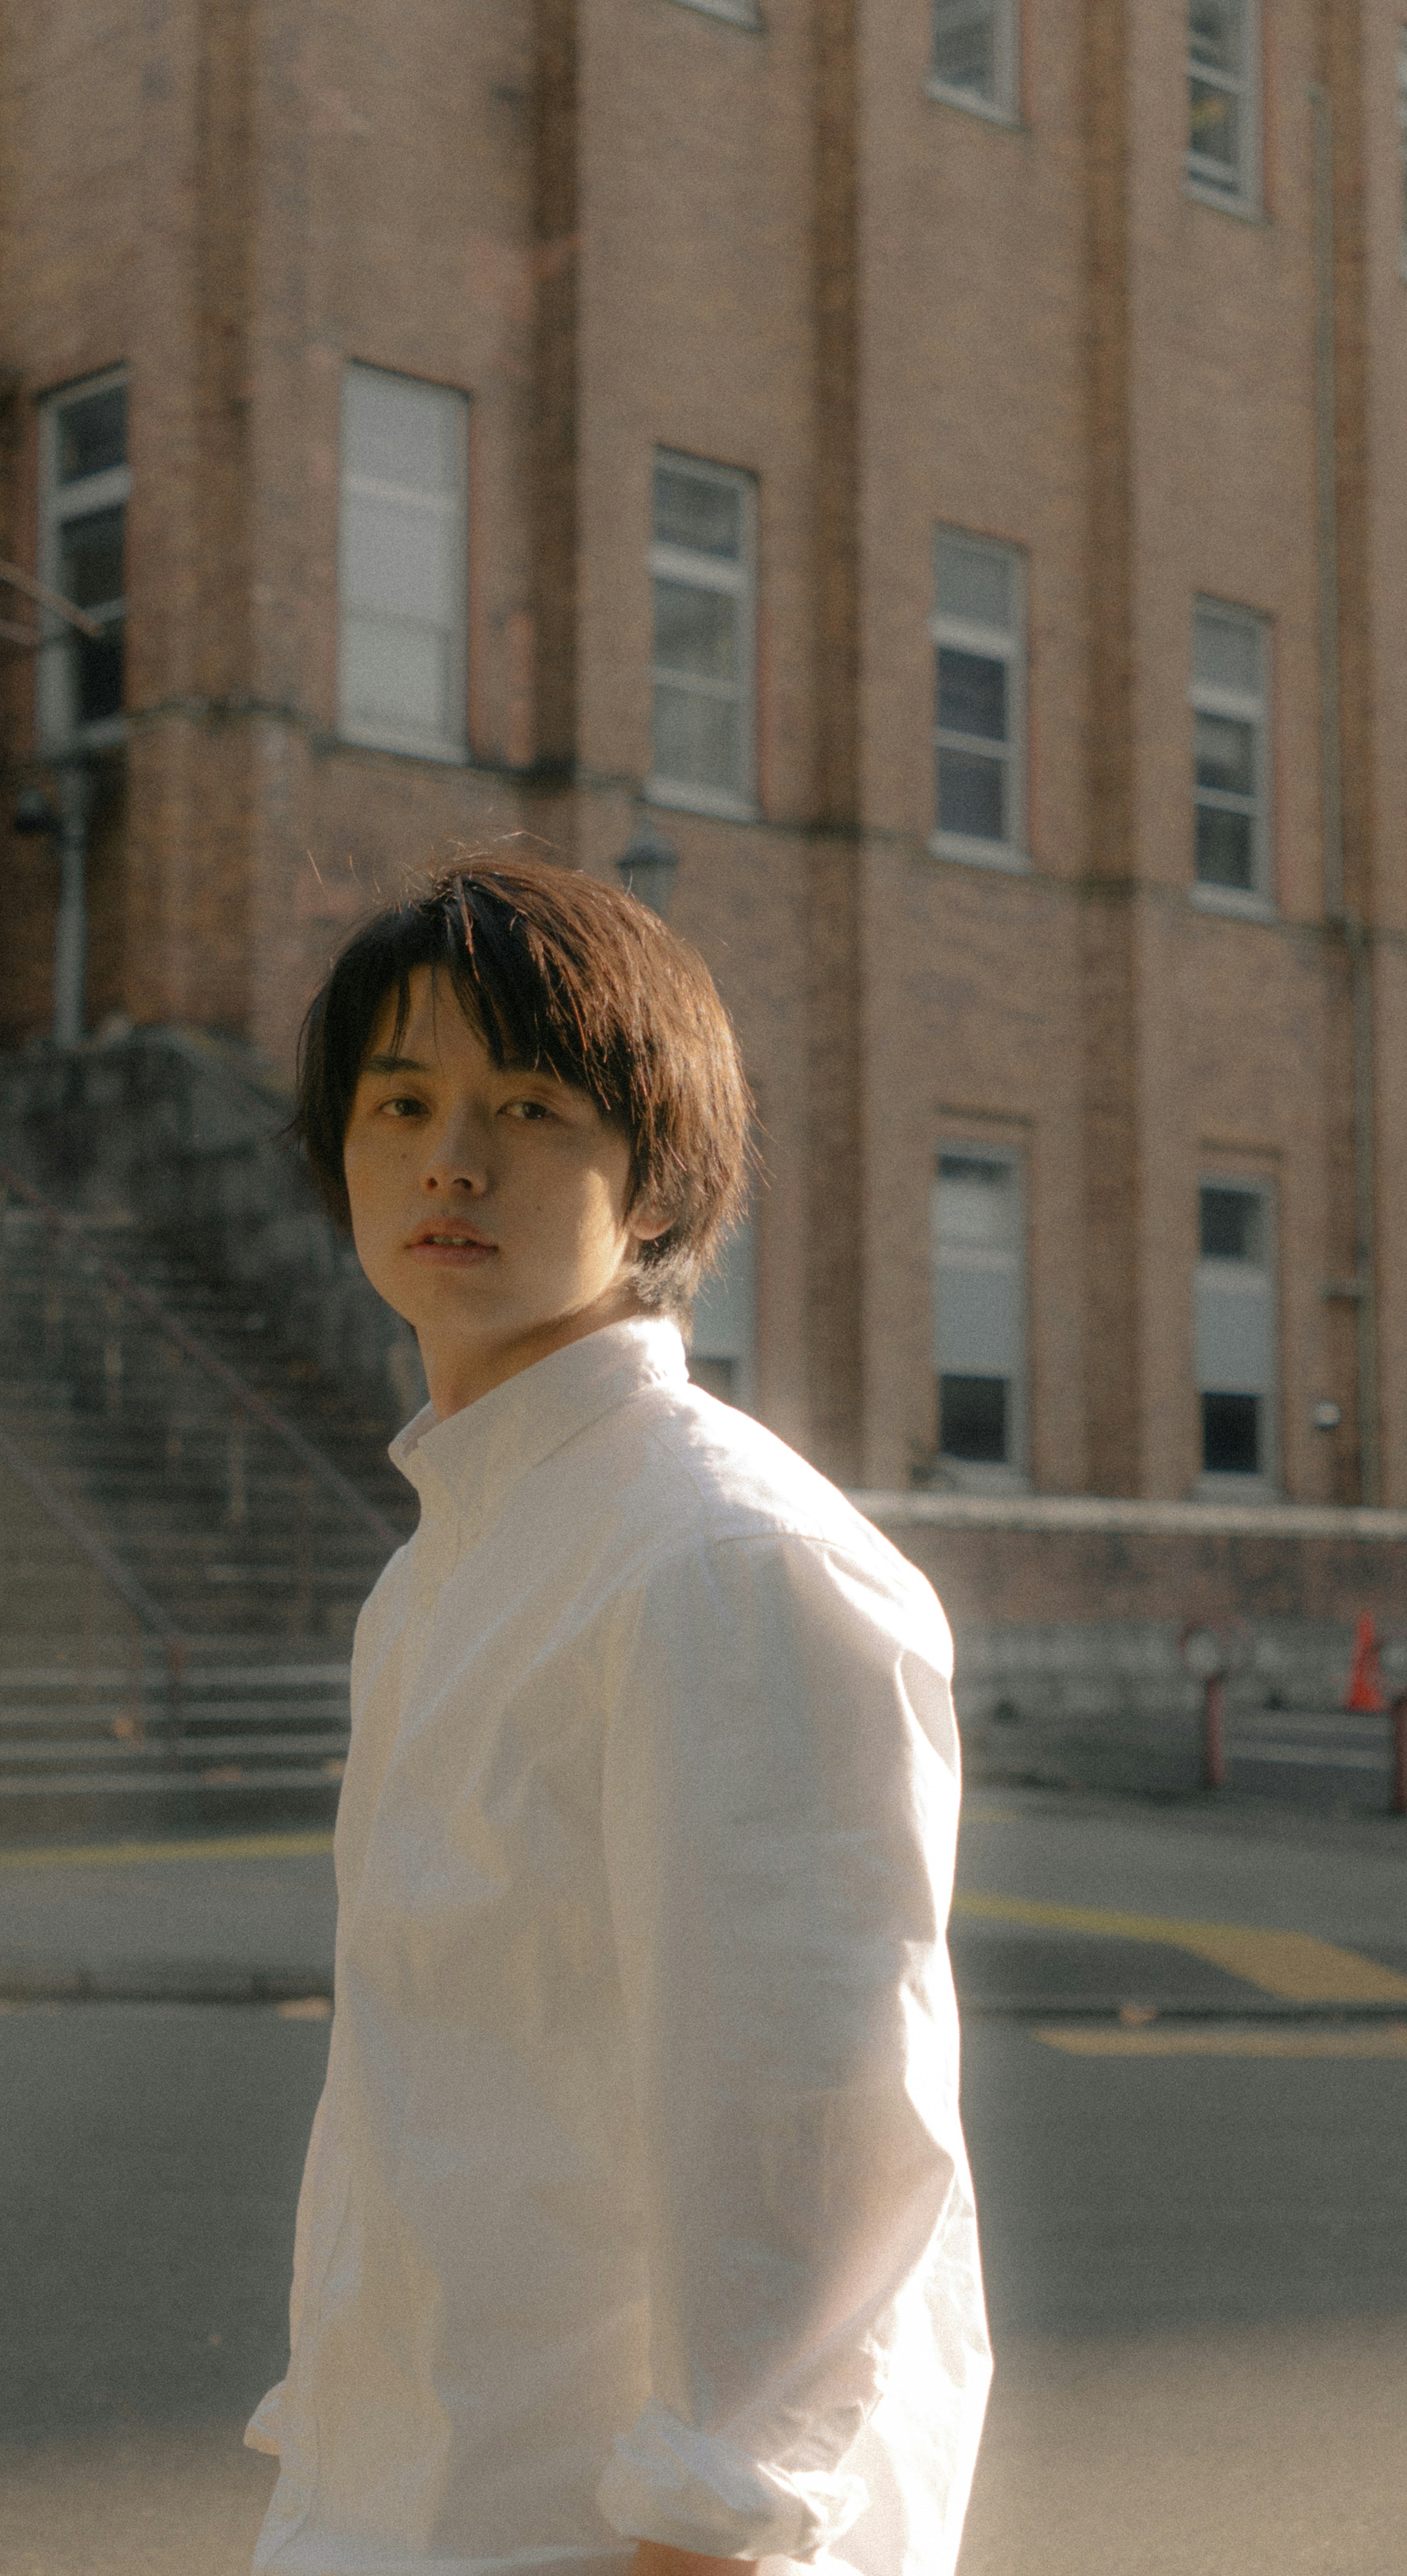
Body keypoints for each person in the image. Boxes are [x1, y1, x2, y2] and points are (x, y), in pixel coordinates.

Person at [245, 855, 990, 2576]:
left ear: (655, 1186)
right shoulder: (446, 1573)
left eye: (529, 1104)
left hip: (604, 2538)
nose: (453, 1157)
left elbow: (817, 2139)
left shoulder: (720, 1565)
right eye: (403, 1101)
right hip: (413, 2493)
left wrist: (708, 2533)